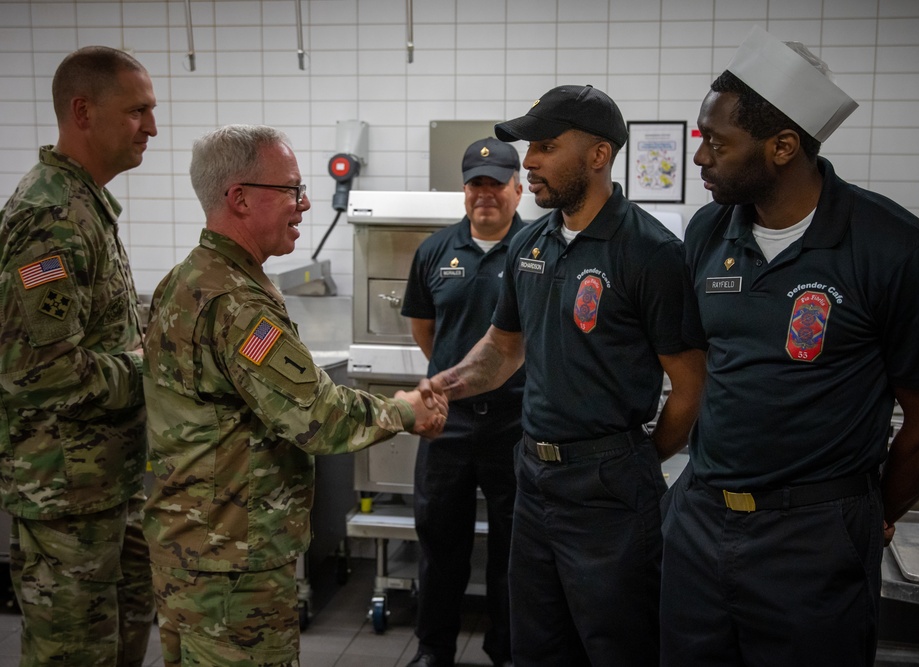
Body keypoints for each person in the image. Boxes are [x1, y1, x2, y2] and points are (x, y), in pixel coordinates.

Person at [659, 26, 919, 667]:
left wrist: (863, 514)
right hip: (699, 523)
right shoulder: (708, 231)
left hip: (814, 542)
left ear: (782, 146)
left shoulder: (896, 249)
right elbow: (706, 366)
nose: (700, 160)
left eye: (717, 143)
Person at [419, 85, 706, 666]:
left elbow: (691, 385)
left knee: (617, 645)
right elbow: (502, 351)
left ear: (598, 156)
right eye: (530, 148)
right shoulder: (532, 242)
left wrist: (638, 463)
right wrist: (443, 386)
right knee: (538, 645)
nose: (529, 162)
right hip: (534, 480)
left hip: (609, 488)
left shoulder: (650, 252)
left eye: (546, 147)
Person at [141, 124, 447, 665]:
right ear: (238, 197)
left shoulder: (186, 278)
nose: (304, 204)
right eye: (290, 190)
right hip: (232, 562)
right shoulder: (237, 302)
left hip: (191, 548)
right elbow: (317, 414)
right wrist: (403, 411)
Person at [0, 46, 157, 666]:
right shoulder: (49, 218)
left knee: (125, 630)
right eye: (137, 111)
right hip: (65, 496)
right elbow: (36, 370)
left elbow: (96, 336)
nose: (151, 127)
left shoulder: (84, 203)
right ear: (83, 111)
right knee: (75, 653)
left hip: (107, 483)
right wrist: (151, 364)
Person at [401, 137, 526, 667]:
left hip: (516, 421)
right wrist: (460, 383)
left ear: (518, 190)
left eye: (496, 184)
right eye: (477, 184)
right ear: (465, 190)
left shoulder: (537, 248)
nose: (486, 194)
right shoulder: (434, 250)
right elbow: (425, 330)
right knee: (440, 542)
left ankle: (507, 650)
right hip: (446, 424)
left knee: (515, 547)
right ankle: (434, 651)